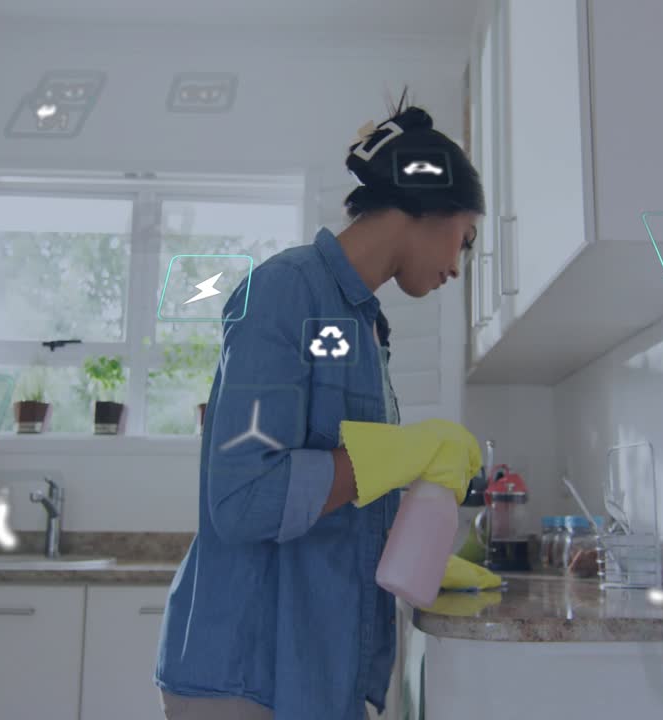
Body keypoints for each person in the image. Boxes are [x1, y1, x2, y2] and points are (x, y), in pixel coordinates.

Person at [154, 91, 486, 720]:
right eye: (464, 240)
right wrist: (400, 451)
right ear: (432, 208)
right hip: (247, 674)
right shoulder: (283, 291)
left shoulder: (363, 325)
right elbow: (242, 499)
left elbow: (342, 497)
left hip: (313, 666)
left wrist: (422, 550)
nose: (458, 267)